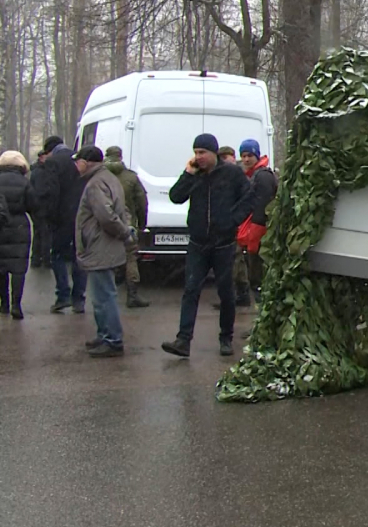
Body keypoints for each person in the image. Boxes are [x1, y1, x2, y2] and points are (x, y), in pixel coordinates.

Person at [162, 133, 253, 358]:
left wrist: (233, 220)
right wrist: (188, 174)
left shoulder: (231, 173)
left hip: (223, 243)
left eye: (202, 152)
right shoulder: (195, 175)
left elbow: (250, 198)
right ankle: (183, 340)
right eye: (196, 153)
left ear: (213, 153)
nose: (198, 157)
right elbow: (175, 197)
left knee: (225, 293)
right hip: (198, 243)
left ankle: (226, 337)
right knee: (191, 290)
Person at [74, 146, 137, 357]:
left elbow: (106, 215)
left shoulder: (95, 183)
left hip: (100, 245)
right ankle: (104, 335)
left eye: (78, 161)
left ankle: (112, 340)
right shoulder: (108, 178)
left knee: (104, 296)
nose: (76, 165)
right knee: (102, 294)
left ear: (87, 161)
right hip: (105, 244)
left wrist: (123, 233)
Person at [36, 136, 87, 312]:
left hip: (62, 218)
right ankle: (79, 299)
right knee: (78, 257)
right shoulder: (79, 159)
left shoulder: (53, 163)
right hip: (82, 216)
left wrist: (49, 217)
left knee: (57, 255)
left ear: (49, 150)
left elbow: (52, 192)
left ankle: (63, 295)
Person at [104, 146, 151, 308]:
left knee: (105, 259)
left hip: (103, 225)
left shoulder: (99, 177)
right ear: (120, 157)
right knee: (131, 258)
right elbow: (142, 203)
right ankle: (132, 295)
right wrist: (142, 223)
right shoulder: (131, 178)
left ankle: (106, 295)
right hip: (127, 224)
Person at [236, 139, 276, 305]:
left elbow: (263, 207)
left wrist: (255, 234)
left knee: (258, 275)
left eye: (249, 155)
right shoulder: (255, 174)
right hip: (256, 231)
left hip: (259, 232)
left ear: (256, 155)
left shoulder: (263, 176)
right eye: (243, 156)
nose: (246, 160)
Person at [0, 150, 38, 320]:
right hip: (19, 226)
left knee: (1, 268)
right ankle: (17, 304)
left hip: (1, 226)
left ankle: (4, 304)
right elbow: (33, 206)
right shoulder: (25, 183)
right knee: (18, 268)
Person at [28, 150, 51, 268]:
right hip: (42, 207)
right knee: (44, 234)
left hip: (36, 207)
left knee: (38, 233)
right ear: (42, 157)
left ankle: (36, 259)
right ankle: (45, 259)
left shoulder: (36, 170)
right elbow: (41, 190)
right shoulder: (42, 172)